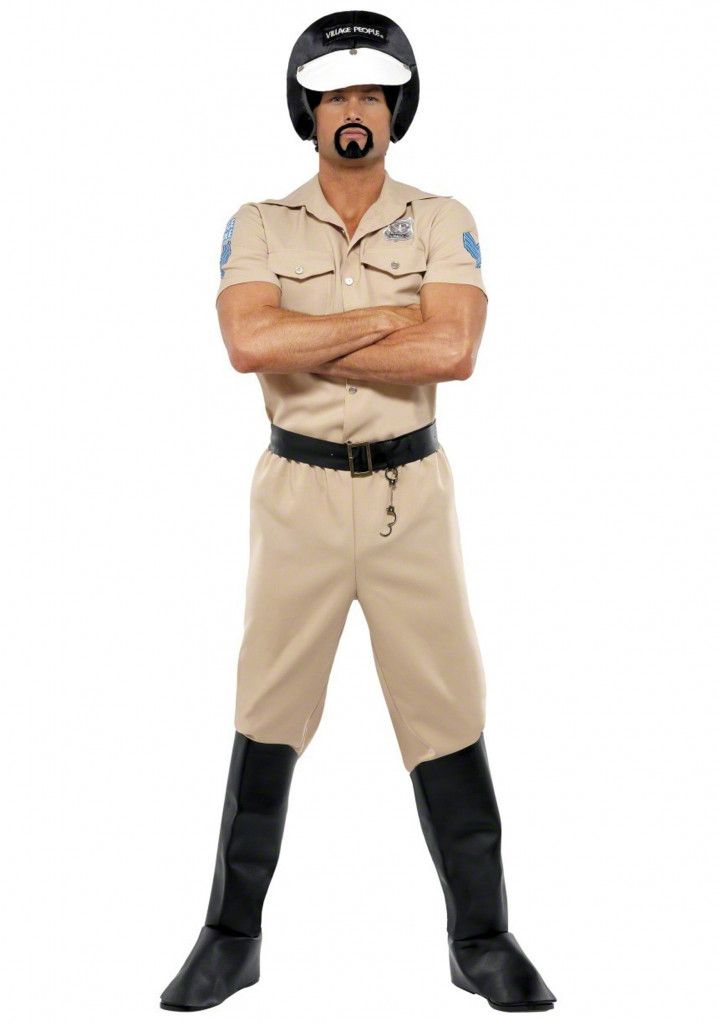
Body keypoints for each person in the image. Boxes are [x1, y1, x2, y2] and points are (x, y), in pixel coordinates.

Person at [160, 10, 556, 1014]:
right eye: (335, 93)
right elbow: (248, 344)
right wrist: (389, 315)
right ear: (307, 109)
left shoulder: (441, 217)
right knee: (266, 708)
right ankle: (230, 937)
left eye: (372, 94)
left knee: (446, 707)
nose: (354, 109)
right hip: (294, 496)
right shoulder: (259, 222)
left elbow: (453, 351)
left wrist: (312, 332)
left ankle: (481, 938)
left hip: (406, 497)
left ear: (396, 110)